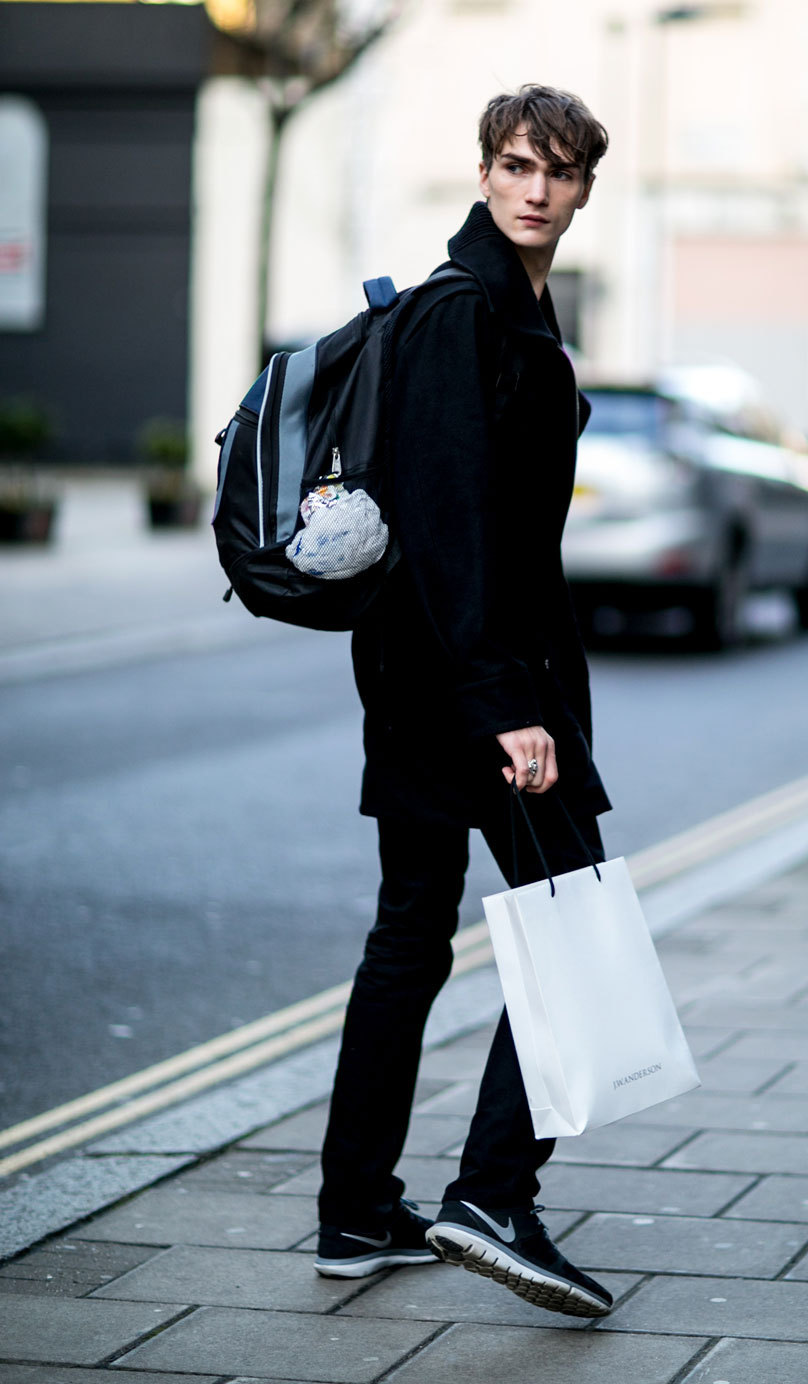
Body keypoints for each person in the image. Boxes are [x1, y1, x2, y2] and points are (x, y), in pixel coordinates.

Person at [314, 84, 613, 1318]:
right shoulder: (462, 313)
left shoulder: (513, 304)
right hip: (475, 686)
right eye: (514, 164)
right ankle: (493, 1188)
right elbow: (448, 523)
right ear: (484, 174)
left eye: (559, 171)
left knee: (411, 931)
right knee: (578, 927)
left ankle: (354, 1212)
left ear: (587, 186)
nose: (536, 188)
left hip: (435, 678)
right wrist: (508, 701)